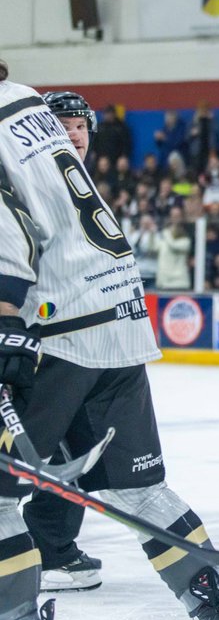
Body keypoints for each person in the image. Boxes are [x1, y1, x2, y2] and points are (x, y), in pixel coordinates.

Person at [0, 62, 219, 620]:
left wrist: (5, 323)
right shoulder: (25, 105)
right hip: (118, 315)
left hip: (56, 325)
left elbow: (7, 235)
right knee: (136, 489)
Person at [18, 92, 108, 594]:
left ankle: (50, 547)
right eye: (62, 124)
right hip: (40, 343)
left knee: (76, 450)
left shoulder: (82, 185)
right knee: (53, 450)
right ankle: (47, 549)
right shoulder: (31, 184)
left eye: (79, 125)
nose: (73, 133)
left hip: (74, 342)